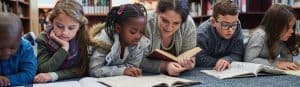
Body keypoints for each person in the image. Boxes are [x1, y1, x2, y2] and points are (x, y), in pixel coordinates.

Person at [34, 0, 89, 83]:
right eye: (59, 26)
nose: (65, 33)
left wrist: (53, 75)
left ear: (79, 27)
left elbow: (81, 69)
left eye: (71, 28)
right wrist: (64, 48)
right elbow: (44, 69)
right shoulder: (43, 39)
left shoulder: (83, 39)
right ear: (52, 22)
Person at [89, 3, 150, 77]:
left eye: (141, 32)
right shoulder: (103, 41)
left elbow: (132, 66)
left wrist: (129, 70)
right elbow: (94, 70)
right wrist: (123, 70)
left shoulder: (139, 44)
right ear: (118, 28)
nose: (138, 36)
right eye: (133, 32)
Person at [140, 0, 197, 76]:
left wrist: (189, 63)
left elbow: (191, 55)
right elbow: (137, 60)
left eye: (176, 23)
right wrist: (165, 66)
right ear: (157, 12)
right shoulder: (145, 23)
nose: (169, 28)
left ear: (182, 22)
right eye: (164, 20)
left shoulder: (188, 24)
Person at [245, 4, 300, 70]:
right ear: (276, 25)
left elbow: (288, 60)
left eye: (292, 27)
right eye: (288, 27)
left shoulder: (281, 38)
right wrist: (276, 64)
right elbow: (248, 60)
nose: (292, 31)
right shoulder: (259, 35)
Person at [196, 1, 244, 72]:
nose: (230, 30)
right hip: (203, 72)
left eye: (234, 24)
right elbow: (200, 59)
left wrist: (227, 59)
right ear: (213, 22)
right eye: (225, 25)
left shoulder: (237, 26)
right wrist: (220, 61)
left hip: (226, 70)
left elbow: (238, 54)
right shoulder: (202, 34)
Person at [0, 12, 37, 86]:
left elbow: (29, 75)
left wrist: (7, 80)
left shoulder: (26, 48)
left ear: (20, 39)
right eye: (0, 48)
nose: (6, 53)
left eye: (12, 47)